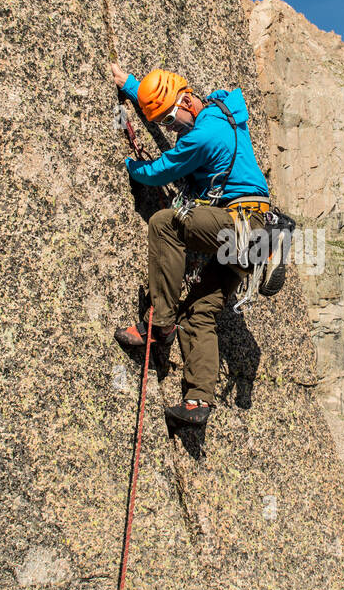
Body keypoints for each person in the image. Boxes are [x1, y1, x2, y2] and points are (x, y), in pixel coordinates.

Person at [109, 62, 270, 425]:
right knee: (201, 312)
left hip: (240, 224)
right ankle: (198, 401)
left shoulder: (207, 133)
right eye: (164, 123)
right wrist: (132, 86)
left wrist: (131, 167)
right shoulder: (219, 115)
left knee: (166, 223)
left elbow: (163, 170)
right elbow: (168, 108)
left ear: (187, 100)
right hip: (250, 237)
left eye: (170, 120)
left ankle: (160, 325)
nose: (170, 129)